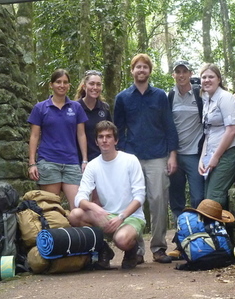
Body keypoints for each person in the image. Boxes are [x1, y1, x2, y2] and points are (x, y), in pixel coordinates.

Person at [113, 53, 179, 264]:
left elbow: (169, 126)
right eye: (137, 67)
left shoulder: (159, 96)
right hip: (131, 157)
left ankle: (159, 247)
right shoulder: (123, 98)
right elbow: (118, 130)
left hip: (157, 155)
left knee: (159, 200)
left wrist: (172, 155)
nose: (141, 70)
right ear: (132, 70)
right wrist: (121, 156)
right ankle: (137, 250)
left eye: (145, 67)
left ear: (150, 71)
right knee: (133, 203)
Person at [69, 121, 146, 270]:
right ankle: (103, 248)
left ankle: (131, 250)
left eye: (109, 137)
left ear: (115, 140)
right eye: (101, 137)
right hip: (106, 215)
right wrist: (93, 207)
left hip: (130, 216)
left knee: (122, 240)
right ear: (96, 141)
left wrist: (121, 217)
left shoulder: (130, 160)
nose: (104, 140)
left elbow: (140, 197)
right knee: (74, 215)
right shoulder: (92, 165)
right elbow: (79, 198)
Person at [27, 69, 89, 209]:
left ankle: (75, 232)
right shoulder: (40, 108)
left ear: (69, 85)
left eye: (65, 82)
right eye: (58, 82)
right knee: (51, 209)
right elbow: (34, 136)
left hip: (72, 163)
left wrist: (84, 160)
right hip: (48, 162)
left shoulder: (76, 107)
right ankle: (54, 232)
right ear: (51, 85)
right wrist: (32, 163)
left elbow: (81, 134)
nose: (62, 85)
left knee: (78, 209)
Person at [166, 60, 204, 259]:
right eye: (177, 72)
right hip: (175, 156)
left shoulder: (200, 94)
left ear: (190, 73)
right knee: (177, 201)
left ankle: (200, 241)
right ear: (173, 75)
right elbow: (165, 125)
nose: (181, 75)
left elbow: (222, 103)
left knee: (198, 198)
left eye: (184, 71)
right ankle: (181, 242)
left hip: (195, 155)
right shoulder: (169, 96)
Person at [198, 63, 235, 209]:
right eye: (204, 77)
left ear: (219, 79)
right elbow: (208, 133)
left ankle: (216, 231)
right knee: (208, 196)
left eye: (211, 76)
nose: (207, 80)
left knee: (214, 197)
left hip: (226, 153)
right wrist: (202, 159)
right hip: (211, 153)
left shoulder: (225, 97)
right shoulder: (207, 100)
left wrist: (216, 157)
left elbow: (231, 131)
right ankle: (220, 230)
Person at [74, 70, 112, 162]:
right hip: (78, 160)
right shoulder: (74, 107)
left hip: (101, 159)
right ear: (84, 86)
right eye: (92, 84)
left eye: (98, 84)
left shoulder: (104, 108)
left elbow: (110, 133)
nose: (95, 87)